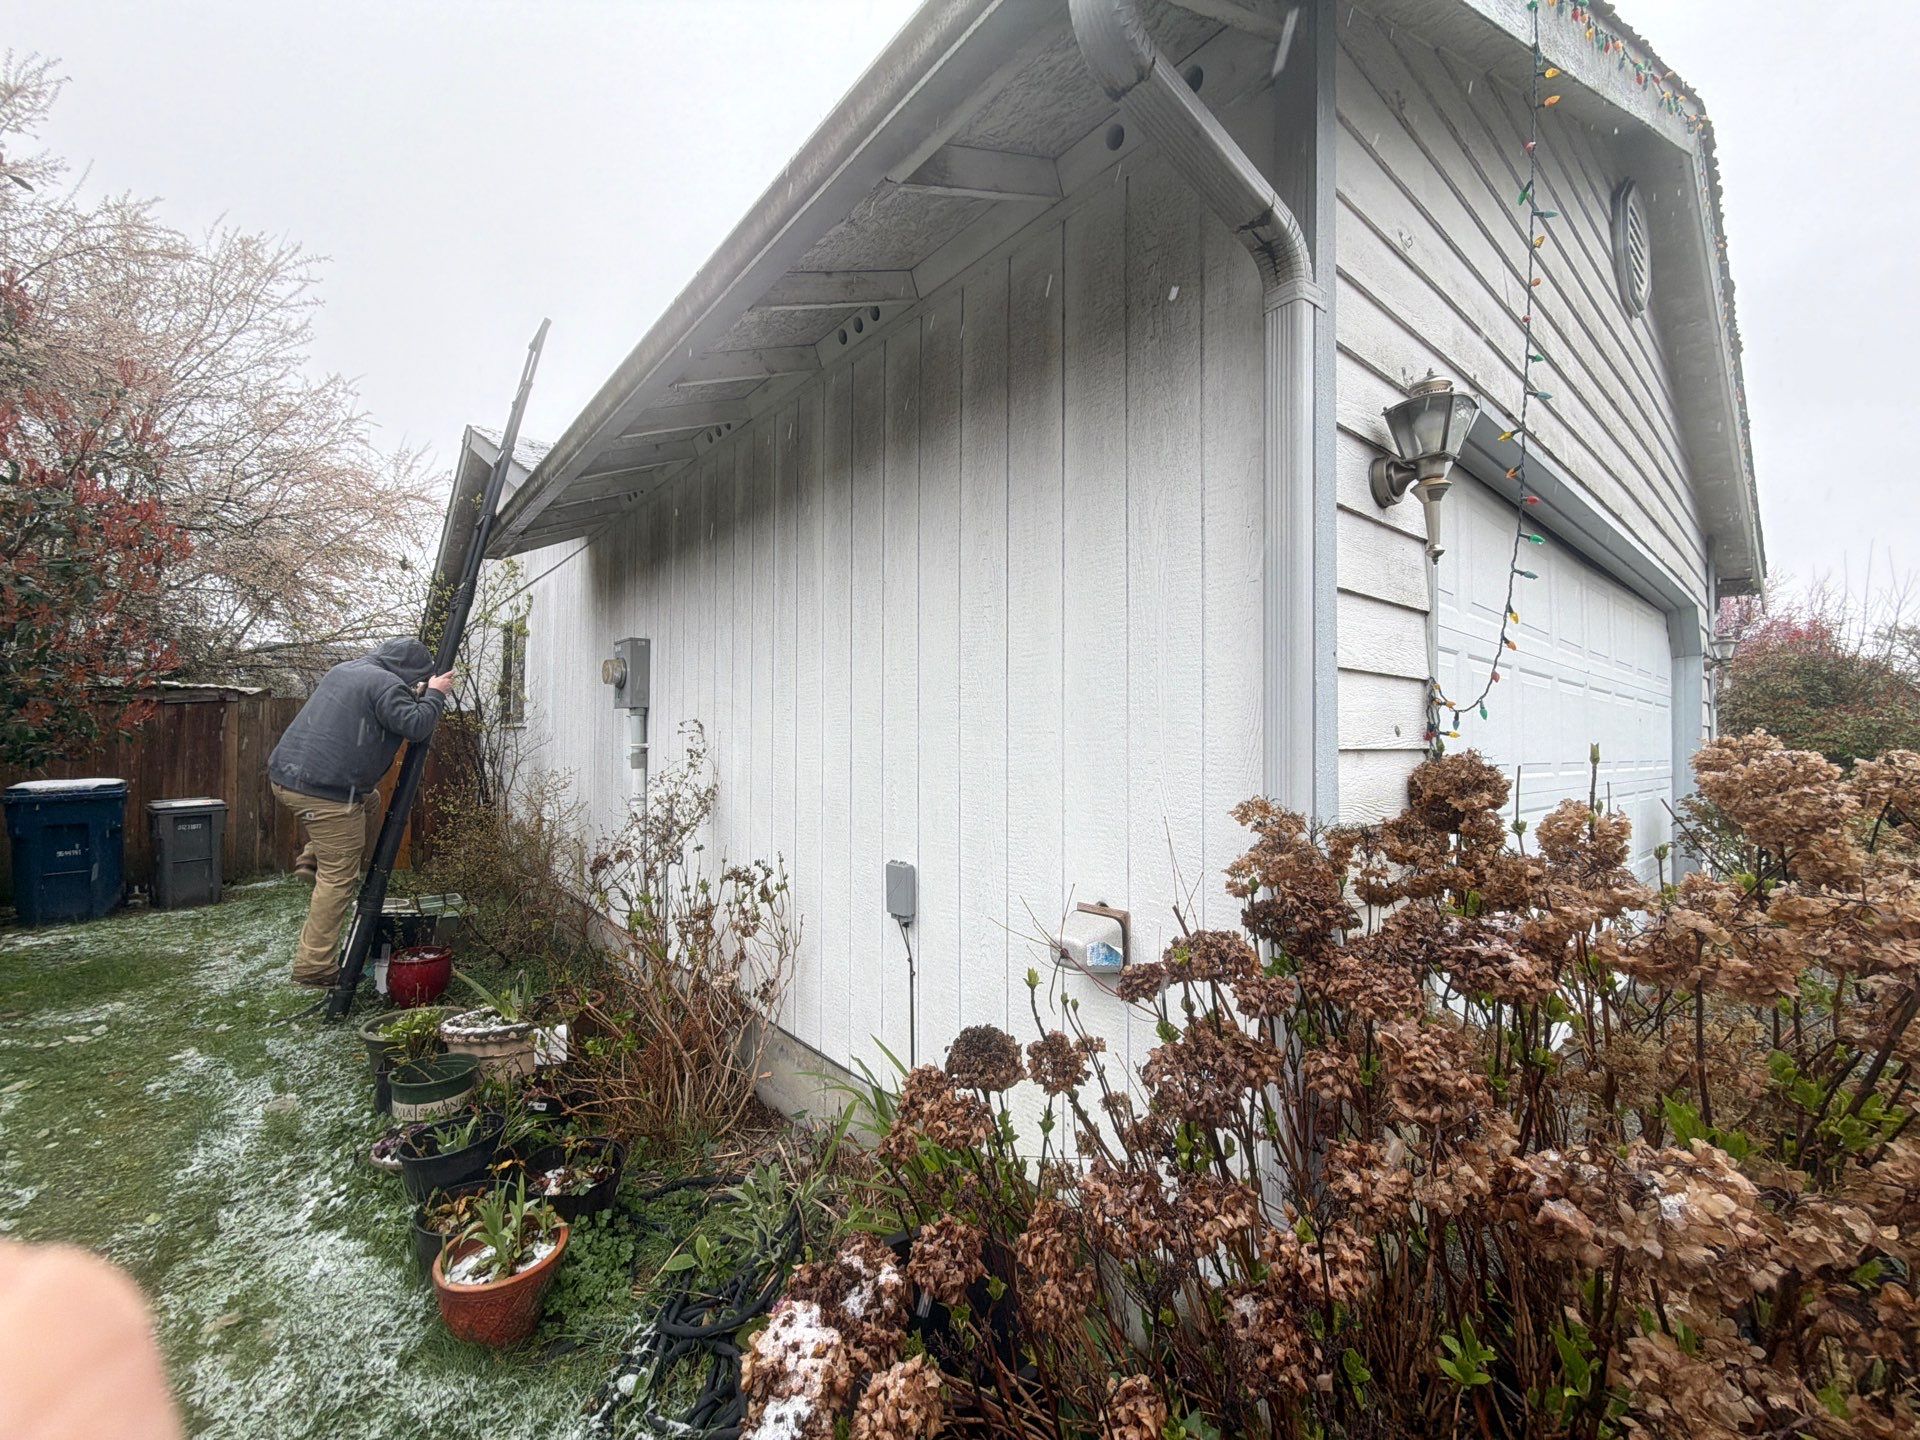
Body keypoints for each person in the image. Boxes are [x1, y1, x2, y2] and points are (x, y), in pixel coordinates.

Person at [267, 637, 452, 986]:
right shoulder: (388, 686)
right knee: (339, 879)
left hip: (287, 778)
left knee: (370, 801)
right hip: (328, 794)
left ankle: (313, 857)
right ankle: (314, 966)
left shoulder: (348, 670)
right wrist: (436, 693)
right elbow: (416, 726)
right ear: (410, 672)